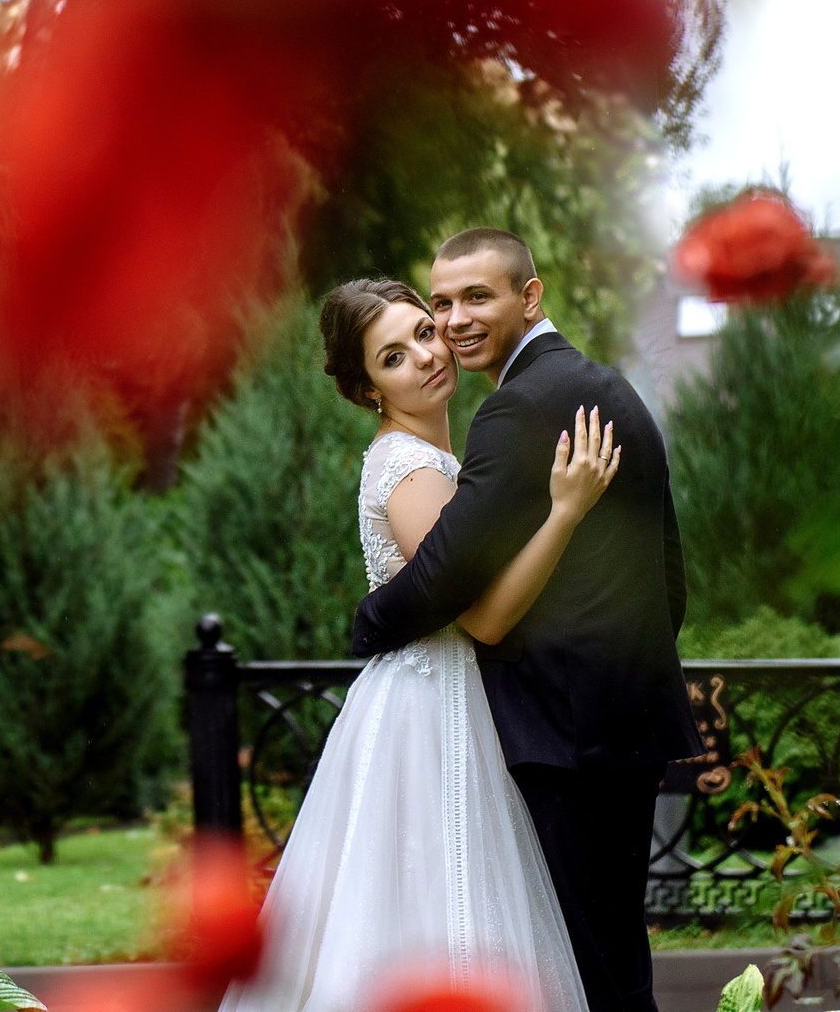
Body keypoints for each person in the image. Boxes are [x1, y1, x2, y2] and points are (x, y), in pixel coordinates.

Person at [220, 276, 619, 1012]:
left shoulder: (435, 456)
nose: (426, 358)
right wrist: (564, 512)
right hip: (427, 705)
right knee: (430, 902)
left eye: (424, 333)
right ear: (367, 387)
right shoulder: (407, 468)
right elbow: (485, 620)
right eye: (393, 357)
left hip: (441, 689)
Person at [350, 229, 700, 1012]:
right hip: (622, 723)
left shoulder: (519, 406)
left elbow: (441, 575)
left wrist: (368, 622)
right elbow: (670, 580)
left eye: (478, 296)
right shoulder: (610, 387)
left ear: (529, 296)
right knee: (608, 958)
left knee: (586, 966)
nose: (454, 319)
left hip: (564, 736)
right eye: (442, 301)